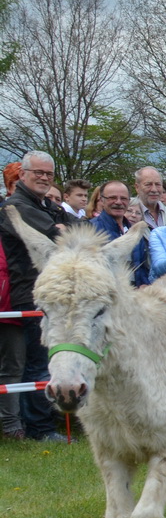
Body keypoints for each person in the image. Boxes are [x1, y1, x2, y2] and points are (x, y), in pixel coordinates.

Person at [0, 150, 74, 442]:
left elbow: (85, 228)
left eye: (49, 174)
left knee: (46, 359)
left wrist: (63, 228)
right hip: (31, 293)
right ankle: (40, 428)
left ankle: (44, 425)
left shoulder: (46, 205)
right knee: (37, 362)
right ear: (22, 175)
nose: (44, 178)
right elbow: (54, 237)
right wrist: (61, 230)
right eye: (38, 173)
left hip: (51, 293)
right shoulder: (15, 207)